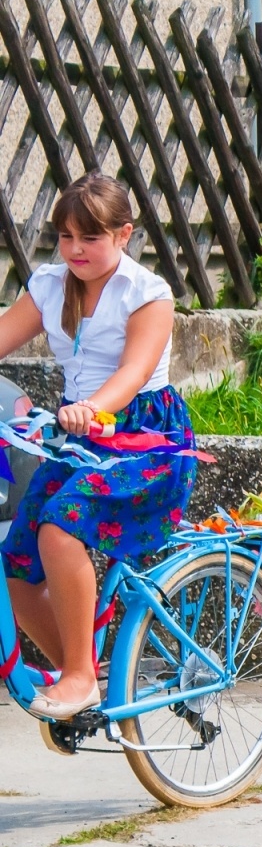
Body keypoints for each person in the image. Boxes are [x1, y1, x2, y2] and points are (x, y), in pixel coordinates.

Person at [0, 174, 196, 719]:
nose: (75, 250)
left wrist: (92, 408)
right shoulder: (49, 285)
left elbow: (134, 372)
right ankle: (83, 674)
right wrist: (80, 418)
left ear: (123, 235)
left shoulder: (146, 294)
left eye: (90, 237)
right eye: (65, 237)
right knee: (15, 564)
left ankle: (81, 678)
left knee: (59, 528)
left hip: (144, 441)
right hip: (80, 440)